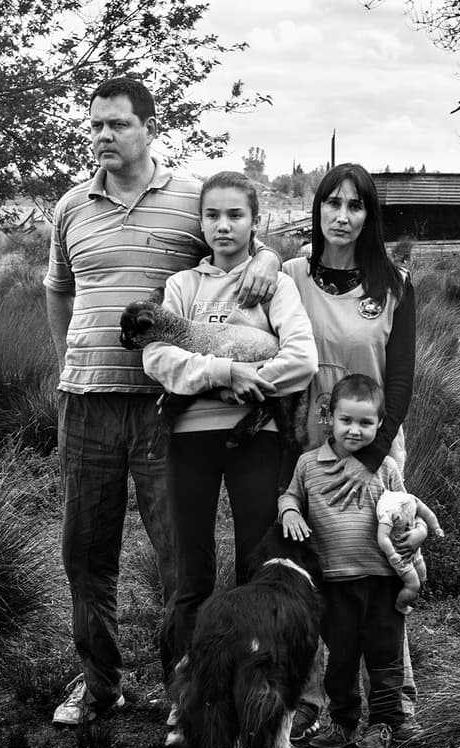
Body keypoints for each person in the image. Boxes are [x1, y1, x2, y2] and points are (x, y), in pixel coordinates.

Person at [44, 78, 281, 727]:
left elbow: (239, 240)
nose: (102, 136)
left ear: (150, 127)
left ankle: (189, 692)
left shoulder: (187, 201)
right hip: (85, 404)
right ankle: (98, 686)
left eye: (116, 124)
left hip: (162, 410)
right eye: (94, 125)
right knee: (85, 553)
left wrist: (271, 255)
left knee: (180, 560)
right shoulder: (71, 207)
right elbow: (59, 291)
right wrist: (68, 358)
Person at [141, 170, 317, 694]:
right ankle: (185, 695)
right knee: (189, 573)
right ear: (200, 222)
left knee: (255, 565)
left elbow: (303, 358)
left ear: (255, 222)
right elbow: (157, 354)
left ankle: (249, 689)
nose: (223, 225)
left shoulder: (273, 285)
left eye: (235, 215)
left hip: (255, 440)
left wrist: (252, 382)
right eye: (212, 215)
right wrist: (222, 374)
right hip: (189, 439)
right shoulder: (182, 287)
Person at [280, 163, 421, 742]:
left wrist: (369, 460)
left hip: (375, 450)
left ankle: (396, 699)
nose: (342, 216)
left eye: (355, 205)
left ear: (370, 215)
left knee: (384, 566)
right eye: (331, 203)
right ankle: (313, 699)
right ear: (315, 210)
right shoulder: (287, 275)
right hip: (308, 449)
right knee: (317, 573)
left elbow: (403, 381)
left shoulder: (394, 283)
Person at [278, 374, 407, 748]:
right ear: (328, 418)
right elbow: (289, 495)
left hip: (382, 580)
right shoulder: (308, 465)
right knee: (342, 658)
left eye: (366, 423)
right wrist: (288, 511)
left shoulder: (384, 467)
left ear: (380, 425)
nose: (355, 430)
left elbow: (405, 507)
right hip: (333, 583)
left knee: (385, 658)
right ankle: (344, 722)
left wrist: (414, 534)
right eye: (346, 420)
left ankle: (383, 725)